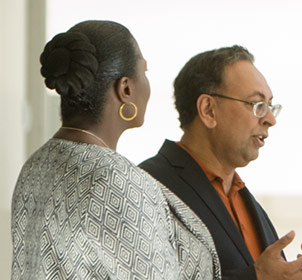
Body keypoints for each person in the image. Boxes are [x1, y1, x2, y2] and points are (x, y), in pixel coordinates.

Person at [11, 20, 219, 278]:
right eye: (145, 72)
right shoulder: (115, 181)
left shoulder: (36, 164)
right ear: (125, 89)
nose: (147, 84)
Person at [139, 45, 302, 280]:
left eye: (270, 106)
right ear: (208, 110)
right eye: (257, 105)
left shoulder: (244, 198)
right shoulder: (147, 186)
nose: (270, 120)